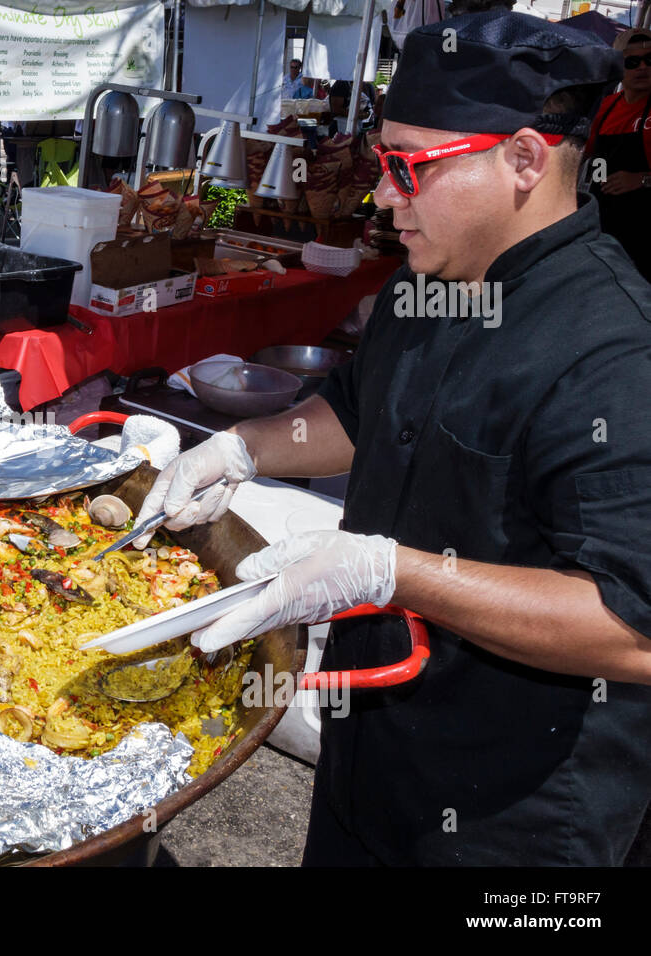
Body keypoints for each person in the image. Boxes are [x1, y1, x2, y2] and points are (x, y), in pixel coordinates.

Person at [136, 10, 651, 866]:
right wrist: (242, 449)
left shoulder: (615, 350)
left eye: (411, 168)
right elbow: (358, 411)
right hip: (369, 757)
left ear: (524, 159)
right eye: (384, 164)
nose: (381, 196)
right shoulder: (431, 279)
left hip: (516, 815)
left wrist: (396, 571)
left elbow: (633, 630)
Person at [587, 28, 651, 278]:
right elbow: (586, 155)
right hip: (605, 227)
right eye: (633, 62)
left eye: (650, 60)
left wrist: (641, 179)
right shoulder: (606, 107)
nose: (643, 68)